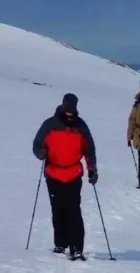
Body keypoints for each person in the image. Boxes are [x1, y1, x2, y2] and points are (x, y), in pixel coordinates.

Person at [32, 93, 98, 261]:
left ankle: (76, 248)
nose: (69, 115)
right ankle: (60, 243)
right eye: (67, 111)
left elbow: (89, 149)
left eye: (72, 112)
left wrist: (92, 169)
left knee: (73, 210)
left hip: (73, 174)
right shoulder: (50, 124)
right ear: (62, 108)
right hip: (53, 173)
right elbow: (37, 144)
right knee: (58, 209)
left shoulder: (81, 126)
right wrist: (41, 153)